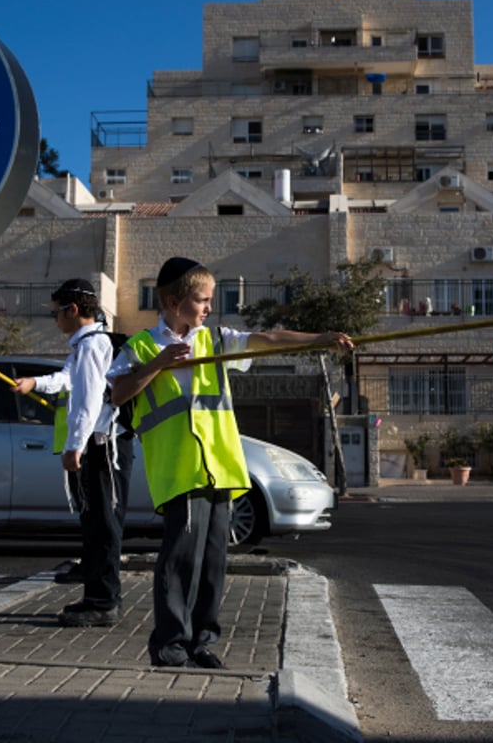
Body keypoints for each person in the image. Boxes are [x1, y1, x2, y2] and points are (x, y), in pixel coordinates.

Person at [108, 257, 352, 668]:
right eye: (201, 300)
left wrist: (320, 339)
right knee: (180, 559)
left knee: (212, 562)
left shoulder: (216, 341)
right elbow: (118, 393)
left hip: (220, 468)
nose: (208, 308)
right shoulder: (141, 346)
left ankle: (202, 642)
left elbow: (266, 339)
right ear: (172, 301)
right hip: (180, 471)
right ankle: (170, 644)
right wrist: (158, 364)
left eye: (209, 300)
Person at [12, 278, 132, 627]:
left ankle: (104, 602)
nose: (55, 320)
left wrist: (73, 447)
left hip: (102, 444)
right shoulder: (87, 344)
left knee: (104, 523)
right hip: (99, 443)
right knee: (95, 521)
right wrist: (35, 384)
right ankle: (97, 593)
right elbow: (69, 379)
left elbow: (88, 402)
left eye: (56, 312)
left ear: (73, 310)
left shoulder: (93, 345)